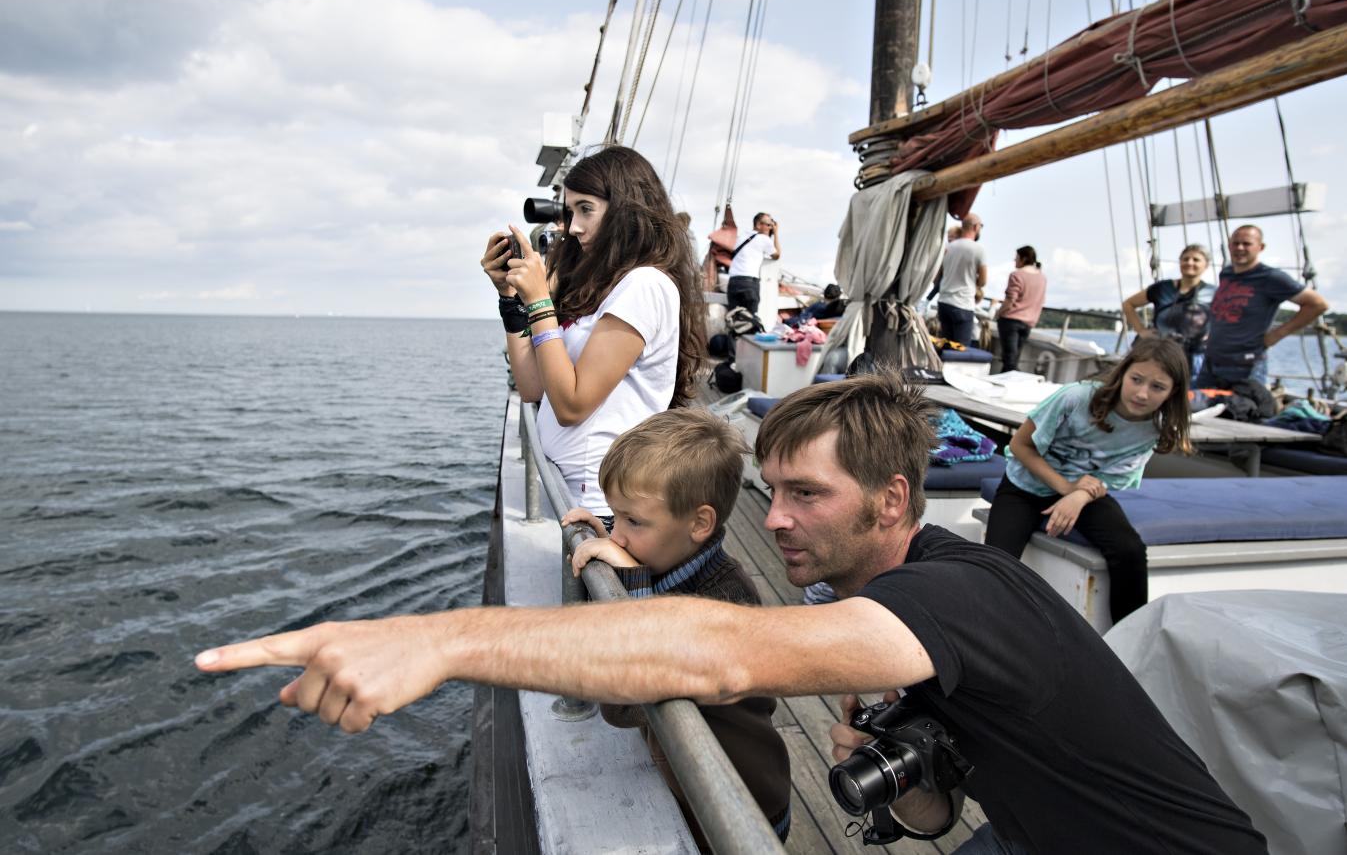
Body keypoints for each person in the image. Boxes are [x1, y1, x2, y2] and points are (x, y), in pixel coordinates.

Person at [197, 372, 1267, 854]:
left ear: (894, 501)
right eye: (774, 491)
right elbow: (923, 823)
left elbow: (717, 652)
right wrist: (908, 767)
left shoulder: (958, 592)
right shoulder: (890, 613)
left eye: (809, 496)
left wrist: (437, 639)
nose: (778, 520)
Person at [559, 409, 791, 849]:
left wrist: (630, 583)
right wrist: (607, 532)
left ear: (699, 523)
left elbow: (624, 705)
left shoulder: (727, 603)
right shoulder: (667, 556)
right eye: (615, 515)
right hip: (689, 781)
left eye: (634, 521)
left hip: (736, 806)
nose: (619, 537)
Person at [481, 146, 706, 516]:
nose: (573, 227)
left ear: (626, 209)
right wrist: (511, 299)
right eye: (570, 212)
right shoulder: (600, 285)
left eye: (586, 209)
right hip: (569, 492)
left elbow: (571, 406)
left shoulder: (644, 285)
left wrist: (538, 301)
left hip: (605, 506)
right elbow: (533, 387)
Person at [984, 337, 1192, 624]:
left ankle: (1131, 639)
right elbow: (1020, 446)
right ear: (1123, 373)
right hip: (1025, 486)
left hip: (1087, 491)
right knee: (995, 564)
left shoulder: (1155, 428)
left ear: (1173, 392)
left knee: (1129, 550)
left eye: (1157, 387)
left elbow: (1110, 477)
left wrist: (1077, 497)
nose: (1142, 394)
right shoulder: (1076, 398)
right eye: (1136, 379)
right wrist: (1065, 488)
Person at [1194, 225, 1328, 388]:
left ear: (1260, 247)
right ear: (1229, 246)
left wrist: (1277, 334)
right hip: (1211, 363)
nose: (1240, 248)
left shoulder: (1271, 277)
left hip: (1244, 366)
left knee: (1241, 411)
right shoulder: (1227, 274)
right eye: (1235, 243)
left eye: (1246, 243)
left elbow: (1318, 304)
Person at [1121, 243, 1215, 378]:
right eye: (1185, 259)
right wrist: (1141, 330)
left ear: (1206, 265)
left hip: (1194, 355)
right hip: (1159, 352)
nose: (1189, 262)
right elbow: (1128, 304)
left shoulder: (1213, 293)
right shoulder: (1162, 288)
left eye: (1196, 259)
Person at [935, 214, 987, 347]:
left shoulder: (948, 248)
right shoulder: (978, 250)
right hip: (963, 303)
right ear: (975, 227)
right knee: (960, 350)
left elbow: (937, 277)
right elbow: (983, 281)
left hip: (944, 302)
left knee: (945, 345)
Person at [993, 245, 1046, 372]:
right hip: (1028, 322)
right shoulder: (1042, 277)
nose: (1014, 260)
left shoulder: (1017, 275)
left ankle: (1007, 382)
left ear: (1024, 259)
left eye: (1016, 257)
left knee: (1009, 359)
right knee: (1014, 358)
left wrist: (998, 313)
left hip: (1011, 321)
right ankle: (1008, 381)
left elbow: (1010, 300)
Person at [725, 212, 781, 315]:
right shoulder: (764, 239)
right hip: (749, 283)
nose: (770, 228)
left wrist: (769, 230)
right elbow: (776, 255)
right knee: (750, 319)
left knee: (734, 317)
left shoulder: (743, 236)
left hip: (733, 282)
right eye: (769, 225)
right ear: (759, 225)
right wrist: (776, 233)